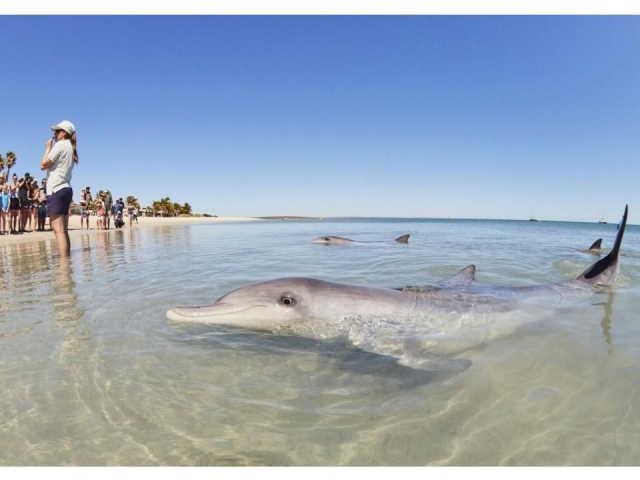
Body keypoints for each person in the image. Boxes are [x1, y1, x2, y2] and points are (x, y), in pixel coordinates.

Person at [40, 120, 78, 257]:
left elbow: (43, 164)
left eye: (57, 131)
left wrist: (47, 148)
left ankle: (63, 268)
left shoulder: (61, 145)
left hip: (56, 189)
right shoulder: (70, 147)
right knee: (64, 230)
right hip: (66, 189)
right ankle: (66, 264)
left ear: (63, 133)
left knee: (58, 230)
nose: (54, 134)